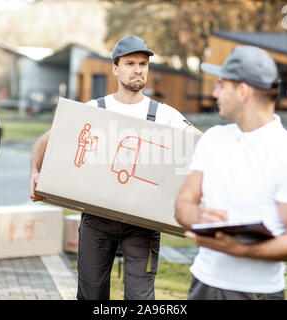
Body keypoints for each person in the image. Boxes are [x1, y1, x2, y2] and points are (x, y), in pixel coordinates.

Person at [29, 35, 201, 300]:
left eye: (143, 64)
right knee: (91, 296)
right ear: (115, 68)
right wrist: (35, 171)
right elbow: (47, 139)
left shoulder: (164, 114)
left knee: (140, 298)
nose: (138, 70)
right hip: (97, 221)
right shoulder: (96, 109)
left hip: (142, 224)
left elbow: (201, 145)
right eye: (130, 63)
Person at [174, 46, 287, 300]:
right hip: (203, 284)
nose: (215, 93)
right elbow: (184, 203)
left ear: (242, 91)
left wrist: (240, 249)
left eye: (221, 85)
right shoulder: (213, 138)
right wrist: (199, 217)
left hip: (257, 293)